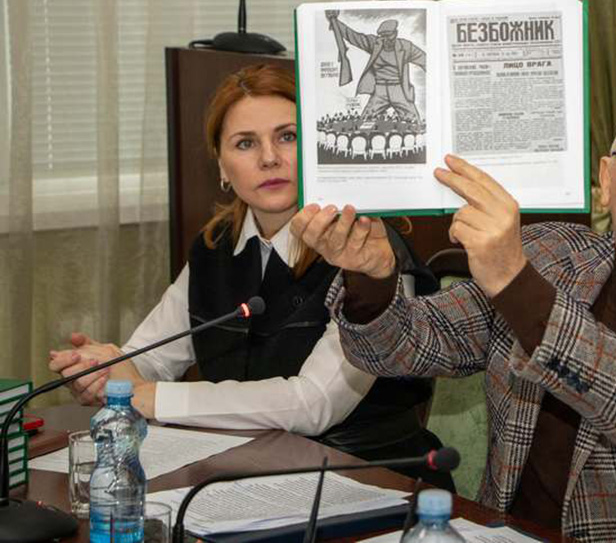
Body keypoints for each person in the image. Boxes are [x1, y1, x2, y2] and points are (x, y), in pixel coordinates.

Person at [291, 92, 616, 541]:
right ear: (607, 179)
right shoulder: (550, 255)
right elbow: (401, 347)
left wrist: (515, 282)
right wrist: (371, 274)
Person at [49, 64, 451, 488]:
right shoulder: (215, 246)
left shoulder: (367, 249)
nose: (269, 158)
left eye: (287, 137)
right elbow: (153, 358)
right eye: (245, 143)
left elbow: (314, 404)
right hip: (247, 475)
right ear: (222, 166)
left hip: (370, 478)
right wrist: (104, 370)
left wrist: (150, 397)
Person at [326, 10, 425, 122]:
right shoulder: (375, 44)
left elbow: (425, 60)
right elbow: (353, 37)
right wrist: (335, 21)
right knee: (364, 121)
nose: (386, 40)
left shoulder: (406, 47)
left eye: (389, 36)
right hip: (379, 90)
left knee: (414, 121)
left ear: (395, 33)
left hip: (399, 90)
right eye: (383, 36)